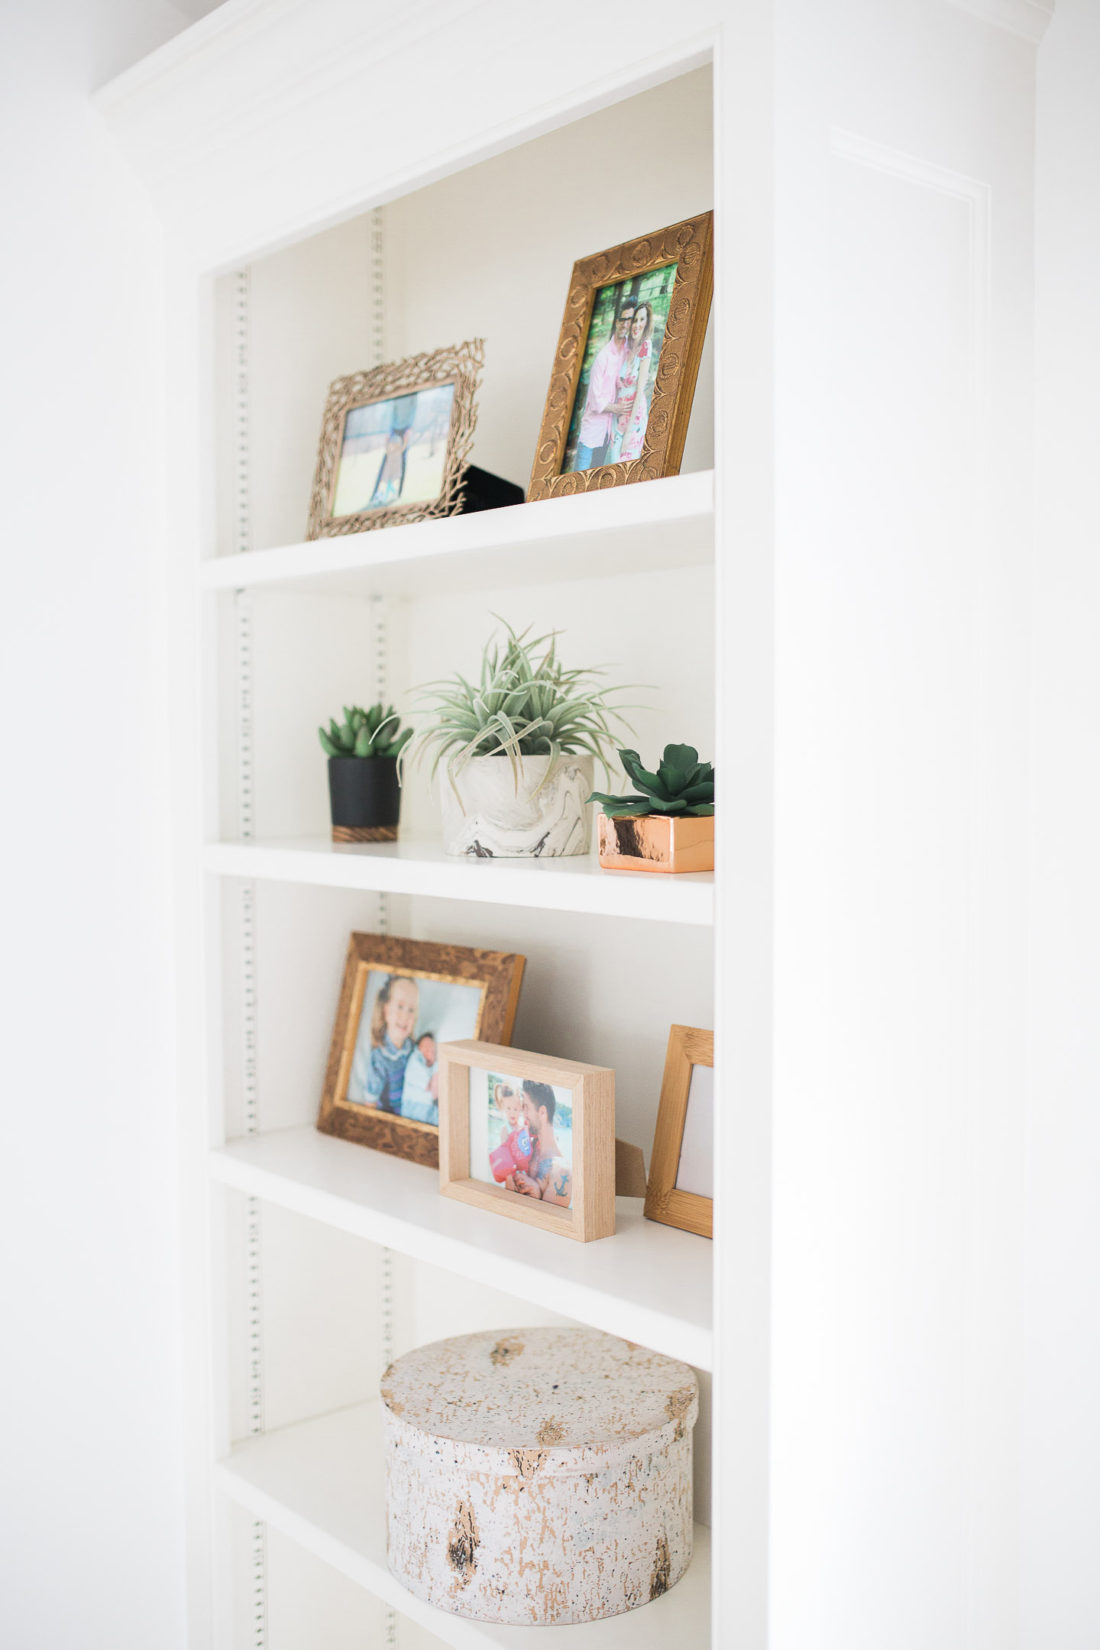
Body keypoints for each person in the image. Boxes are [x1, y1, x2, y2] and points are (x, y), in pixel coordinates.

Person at [571, 294, 636, 471]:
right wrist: (617, 408)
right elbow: (595, 400)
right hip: (591, 432)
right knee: (579, 479)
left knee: (596, 479)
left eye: (629, 320)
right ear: (617, 322)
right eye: (622, 319)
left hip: (608, 433)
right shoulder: (603, 357)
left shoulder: (626, 352)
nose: (625, 324)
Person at [350, 974, 419, 1112]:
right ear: (386, 1010)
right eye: (400, 1006)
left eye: (411, 1010)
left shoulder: (412, 1047)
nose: (405, 1016)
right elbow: (371, 1103)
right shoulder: (380, 1058)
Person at [513, 1080, 572, 1207]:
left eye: (526, 1107)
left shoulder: (561, 1172)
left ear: (542, 1112)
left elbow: (552, 1224)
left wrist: (536, 1195)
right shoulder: (529, 1149)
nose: (523, 1114)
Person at [617, 300, 655, 462]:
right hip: (618, 417)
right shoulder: (626, 347)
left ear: (646, 324)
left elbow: (639, 392)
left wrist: (628, 433)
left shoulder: (646, 345)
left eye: (642, 320)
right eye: (635, 320)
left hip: (634, 419)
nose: (637, 325)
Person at [369, 425, 413, 508]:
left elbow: (404, 446)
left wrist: (405, 439)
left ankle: (386, 497)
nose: (392, 446)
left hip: (395, 470)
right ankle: (394, 493)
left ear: (397, 445)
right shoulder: (389, 451)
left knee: (389, 483)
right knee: (389, 483)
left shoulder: (398, 451)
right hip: (389, 470)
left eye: (394, 445)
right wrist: (386, 440)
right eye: (391, 444)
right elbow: (386, 447)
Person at [401, 1030, 439, 1125]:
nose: (429, 1049)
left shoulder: (435, 1065)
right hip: (413, 1108)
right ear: (418, 1048)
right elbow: (430, 1087)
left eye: (432, 1048)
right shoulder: (415, 1060)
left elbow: (436, 1091)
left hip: (430, 1110)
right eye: (425, 1047)